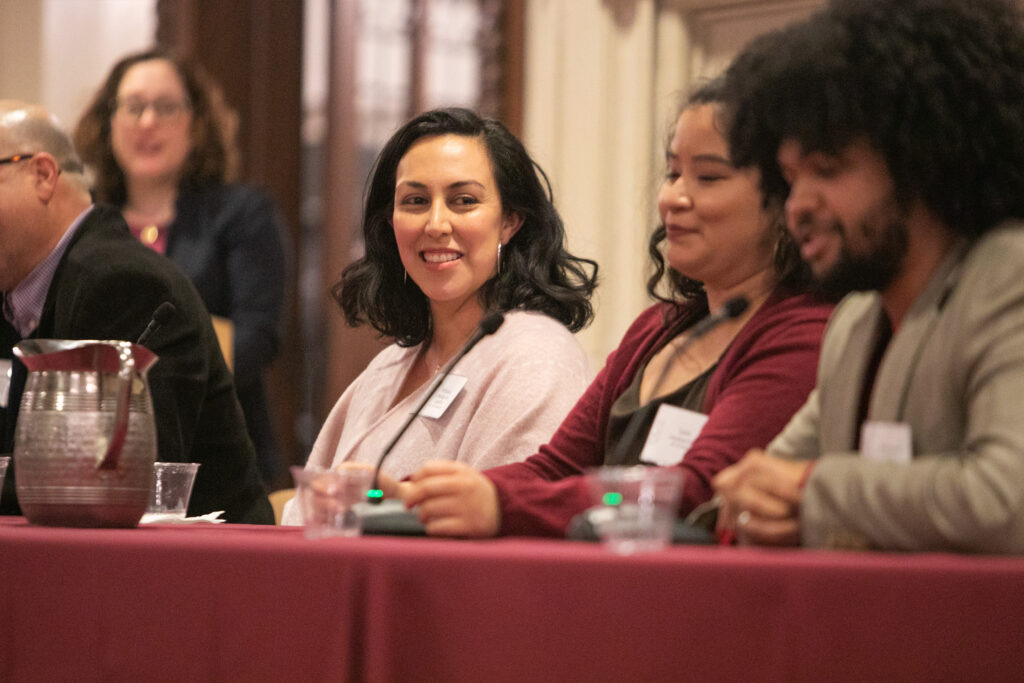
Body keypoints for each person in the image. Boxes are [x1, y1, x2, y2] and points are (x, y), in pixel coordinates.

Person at [397, 82, 832, 538]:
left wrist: (501, 506)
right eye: (672, 174)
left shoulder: (804, 332)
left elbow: (699, 491)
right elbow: (556, 468)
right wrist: (416, 498)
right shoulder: (656, 329)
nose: (673, 199)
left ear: (785, 200)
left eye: (707, 177)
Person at [712, 0, 1024, 553]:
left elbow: (1009, 498)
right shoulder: (855, 319)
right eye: (789, 177)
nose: (797, 205)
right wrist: (749, 502)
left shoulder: (1007, 274)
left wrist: (813, 491)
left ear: (919, 159)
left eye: (827, 170)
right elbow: (766, 480)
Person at [281, 107, 599, 524]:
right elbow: (306, 512)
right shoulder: (390, 363)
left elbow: (515, 527)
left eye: (463, 201)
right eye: (414, 201)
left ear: (509, 222)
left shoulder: (536, 355)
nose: (435, 224)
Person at [0, 100, 273, 524]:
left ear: (42, 175)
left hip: (205, 575)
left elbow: (105, 487)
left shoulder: (121, 284)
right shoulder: (17, 294)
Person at [73, 48, 288, 488]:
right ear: (108, 122)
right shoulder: (82, 218)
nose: (148, 122)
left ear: (197, 122)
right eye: (133, 107)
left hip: (218, 459)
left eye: (166, 107)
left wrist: (135, 378)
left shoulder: (241, 213)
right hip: (94, 459)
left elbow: (256, 338)